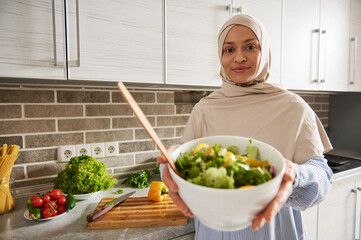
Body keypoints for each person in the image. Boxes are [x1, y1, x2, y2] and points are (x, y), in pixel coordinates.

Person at [157, 14, 333, 240]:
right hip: (215, 229)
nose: (239, 57)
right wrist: (168, 166)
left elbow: (322, 176)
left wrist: (294, 174)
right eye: (229, 50)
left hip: (276, 229)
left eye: (250, 46)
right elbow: (181, 164)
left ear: (265, 51)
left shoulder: (294, 107)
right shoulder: (205, 108)